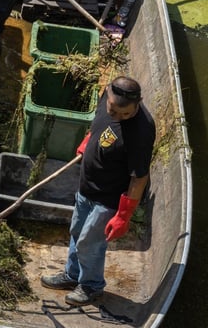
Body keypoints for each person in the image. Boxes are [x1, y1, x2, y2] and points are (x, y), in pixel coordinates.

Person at [41, 76, 156, 306]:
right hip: (87, 187)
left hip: (109, 197)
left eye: (125, 114)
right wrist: (89, 140)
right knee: (76, 231)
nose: (118, 117)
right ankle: (73, 275)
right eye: (113, 111)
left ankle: (92, 286)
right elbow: (100, 123)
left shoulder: (142, 131)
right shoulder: (108, 97)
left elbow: (139, 177)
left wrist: (123, 215)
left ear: (138, 103)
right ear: (107, 94)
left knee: (89, 242)